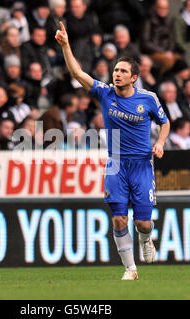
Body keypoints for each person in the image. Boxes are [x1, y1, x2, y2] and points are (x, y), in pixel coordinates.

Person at [55, 22, 170, 280]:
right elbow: (78, 73)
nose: (116, 74)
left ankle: (146, 238)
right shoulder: (106, 93)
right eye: (115, 69)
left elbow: (165, 123)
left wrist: (160, 142)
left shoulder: (148, 99)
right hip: (115, 164)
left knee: (142, 223)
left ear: (134, 77)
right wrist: (66, 46)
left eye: (122, 71)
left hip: (141, 164)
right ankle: (131, 269)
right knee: (119, 219)